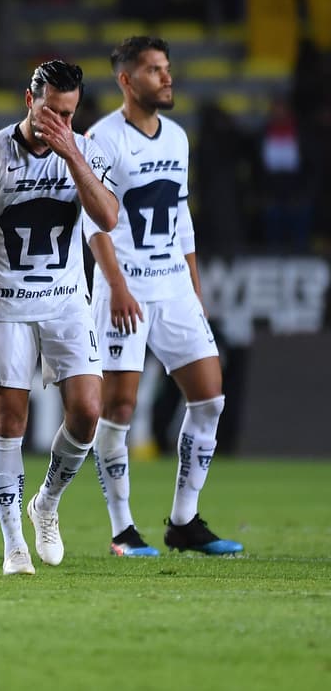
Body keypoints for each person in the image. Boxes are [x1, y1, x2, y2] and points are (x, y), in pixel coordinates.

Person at [0, 60, 118, 575]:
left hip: (67, 302)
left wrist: (72, 155)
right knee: (8, 421)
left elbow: (107, 218)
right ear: (29, 100)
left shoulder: (84, 151)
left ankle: (46, 504)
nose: (57, 122)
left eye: (67, 113)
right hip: (7, 306)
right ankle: (14, 541)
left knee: (87, 412)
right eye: (49, 111)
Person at [85, 36, 244, 557]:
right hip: (124, 290)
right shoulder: (101, 139)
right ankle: (122, 530)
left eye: (168, 67)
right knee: (119, 408)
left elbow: (182, 220)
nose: (167, 77)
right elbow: (96, 224)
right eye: (154, 70)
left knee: (210, 398)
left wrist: (194, 292)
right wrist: (116, 288)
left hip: (172, 285)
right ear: (127, 81)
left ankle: (183, 521)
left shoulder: (177, 137)